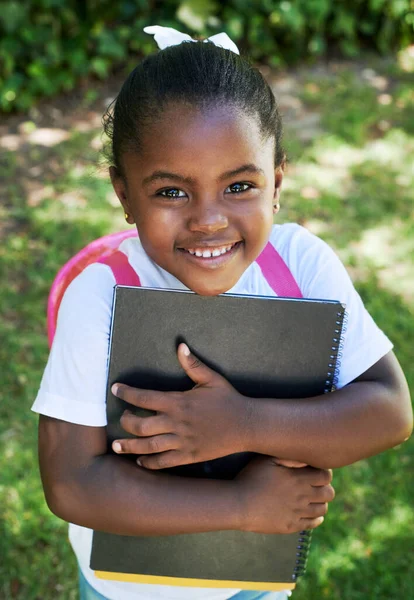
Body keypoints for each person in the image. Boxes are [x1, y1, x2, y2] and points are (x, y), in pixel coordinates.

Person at [32, 25, 412, 600]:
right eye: (171, 192)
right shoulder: (101, 294)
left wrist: (243, 423)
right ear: (124, 194)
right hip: (128, 589)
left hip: (254, 580)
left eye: (239, 185)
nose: (209, 220)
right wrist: (241, 504)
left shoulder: (300, 266)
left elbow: (388, 413)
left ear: (276, 182)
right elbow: (71, 484)